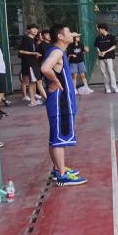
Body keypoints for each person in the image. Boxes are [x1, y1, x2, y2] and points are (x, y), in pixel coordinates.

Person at [39, 25, 85, 186]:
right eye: (68, 32)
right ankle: (62, 176)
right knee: (59, 138)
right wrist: (55, 81)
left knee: (55, 136)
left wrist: (72, 34)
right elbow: (45, 68)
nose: (72, 34)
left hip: (59, 102)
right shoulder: (57, 52)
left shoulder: (57, 50)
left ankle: (59, 168)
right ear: (60, 36)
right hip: (61, 102)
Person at [18, 24, 45, 105]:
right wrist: (34, 53)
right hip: (30, 64)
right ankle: (36, 100)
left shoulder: (34, 40)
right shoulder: (26, 38)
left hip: (34, 63)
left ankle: (33, 100)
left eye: (36, 29)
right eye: (33, 29)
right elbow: (20, 51)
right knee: (35, 82)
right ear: (28, 30)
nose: (35, 30)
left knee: (33, 82)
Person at [94, 23, 118, 94]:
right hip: (101, 57)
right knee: (103, 72)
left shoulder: (111, 37)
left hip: (109, 57)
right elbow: (97, 46)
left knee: (110, 71)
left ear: (103, 29)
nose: (98, 30)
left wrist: (105, 52)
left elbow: (114, 46)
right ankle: (107, 87)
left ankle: (114, 87)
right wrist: (99, 52)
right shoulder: (98, 38)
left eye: (99, 29)